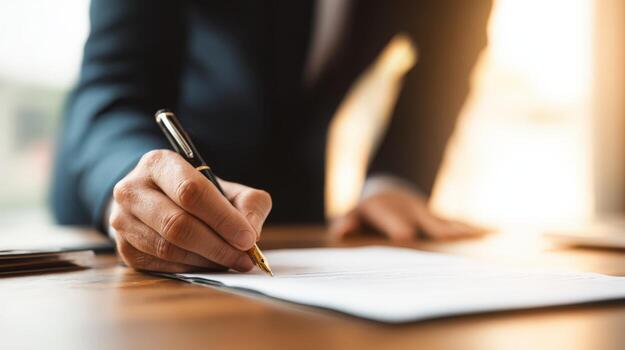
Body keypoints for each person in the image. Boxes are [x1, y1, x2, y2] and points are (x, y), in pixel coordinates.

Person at [51, 0, 492, 272]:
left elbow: (447, 62)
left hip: (298, 218)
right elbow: (114, 81)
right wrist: (137, 183)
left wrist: (394, 182)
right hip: (137, 202)